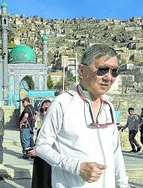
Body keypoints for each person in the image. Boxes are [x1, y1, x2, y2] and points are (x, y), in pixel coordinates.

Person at [35, 44, 130, 187]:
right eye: (102, 70)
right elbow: (42, 146)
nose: (108, 77)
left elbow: (116, 153)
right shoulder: (63, 103)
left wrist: (123, 184)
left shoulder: (108, 106)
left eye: (114, 72)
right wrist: (76, 167)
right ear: (81, 70)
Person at [30, 99, 52, 188]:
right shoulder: (42, 128)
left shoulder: (58, 128)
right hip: (40, 164)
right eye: (42, 110)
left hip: (50, 166)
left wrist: (38, 151)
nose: (43, 113)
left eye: (46, 109)